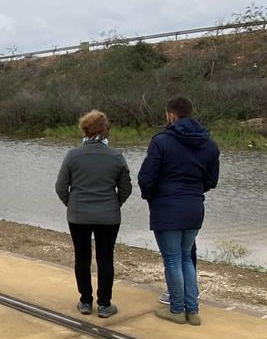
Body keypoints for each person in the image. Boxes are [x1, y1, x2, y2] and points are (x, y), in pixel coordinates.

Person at [138, 96, 220, 326]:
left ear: (171, 115)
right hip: (194, 207)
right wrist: (194, 191)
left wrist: (152, 196)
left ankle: (176, 309)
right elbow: (211, 180)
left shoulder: (161, 141)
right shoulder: (210, 144)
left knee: (173, 260)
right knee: (186, 258)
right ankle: (192, 311)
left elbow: (147, 176)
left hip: (167, 207)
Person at [55, 110, 132, 318]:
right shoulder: (116, 157)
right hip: (108, 216)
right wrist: (114, 204)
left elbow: (61, 186)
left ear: (85, 130)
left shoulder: (73, 156)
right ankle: (105, 304)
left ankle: (85, 301)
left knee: (82, 257)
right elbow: (126, 188)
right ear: (105, 130)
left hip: (78, 215)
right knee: (105, 258)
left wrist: (72, 204)